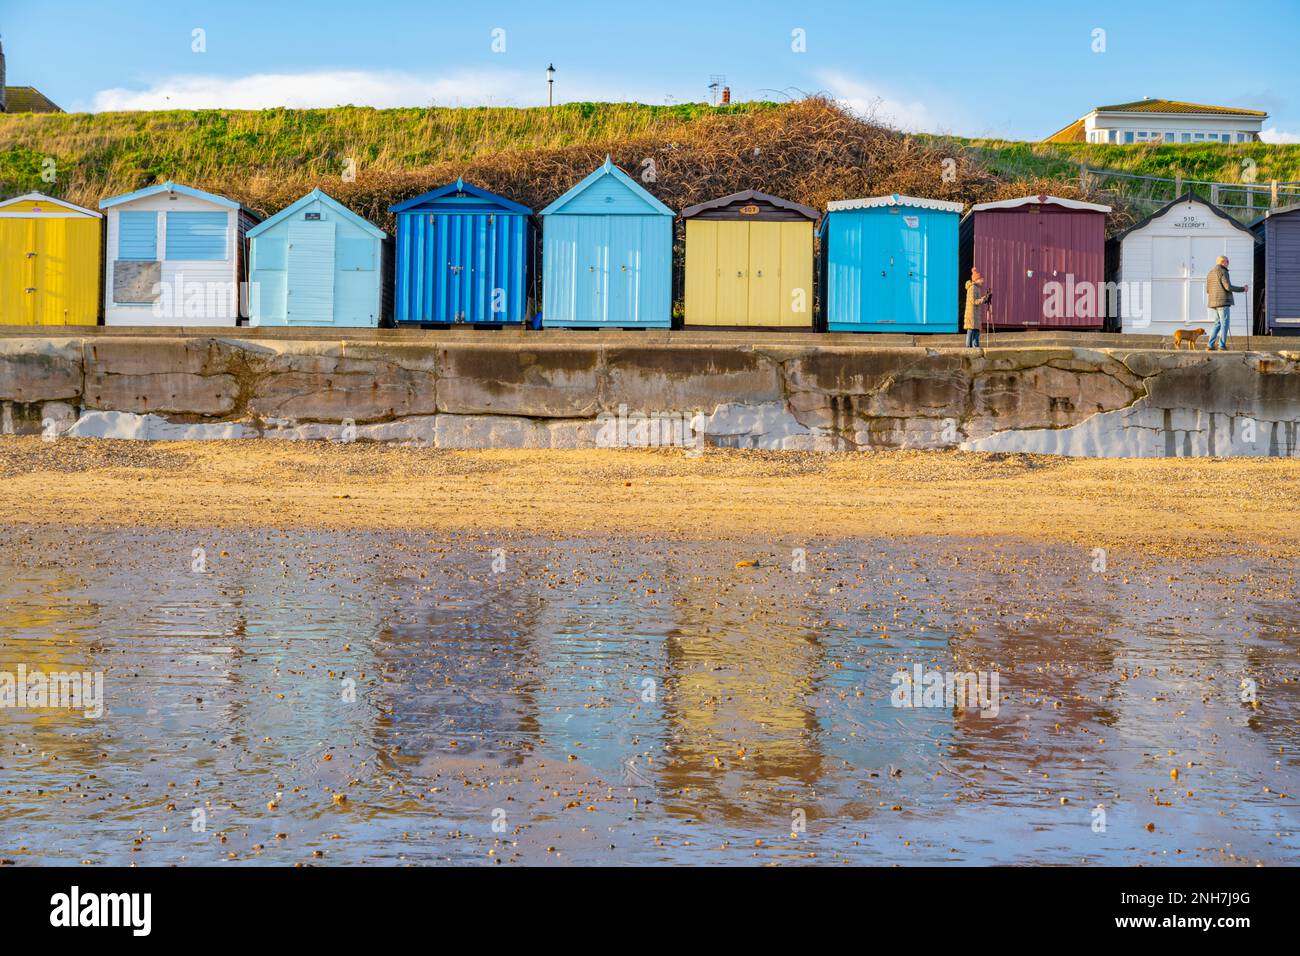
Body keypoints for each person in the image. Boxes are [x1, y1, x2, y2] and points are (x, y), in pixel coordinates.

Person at [1205, 255, 1247, 351]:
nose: (1228, 264)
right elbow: (1228, 287)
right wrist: (1242, 289)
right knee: (1224, 324)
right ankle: (1222, 345)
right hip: (1223, 302)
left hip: (1213, 302)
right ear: (1223, 262)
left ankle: (1210, 345)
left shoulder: (1210, 273)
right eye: (1228, 262)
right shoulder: (1223, 271)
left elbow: (1208, 290)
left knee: (1217, 324)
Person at [964, 267, 990, 348]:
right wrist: (981, 300)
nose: (982, 281)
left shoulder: (977, 288)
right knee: (971, 331)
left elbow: (976, 300)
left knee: (976, 331)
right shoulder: (972, 288)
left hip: (975, 314)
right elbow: (974, 301)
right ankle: (968, 348)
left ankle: (975, 347)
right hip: (971, 314)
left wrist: (984, 298)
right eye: (981, 279)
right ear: (977, 280)